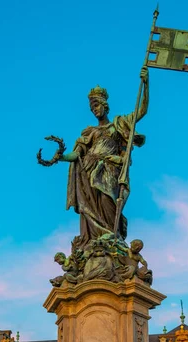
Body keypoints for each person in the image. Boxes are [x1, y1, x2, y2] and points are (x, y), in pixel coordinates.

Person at [60, 67, 149, 248]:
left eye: (97, 106)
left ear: (104, 105)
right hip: (88, 171)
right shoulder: (90, 132)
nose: (95, 110)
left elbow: (141, 111)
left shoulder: (118, 124)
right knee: (91, 207)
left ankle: (111, 235)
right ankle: (95, 240)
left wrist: (146, 84)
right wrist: (60, 157)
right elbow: (76, 154)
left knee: (109, 200)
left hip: (109, 170)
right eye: (92, 108)